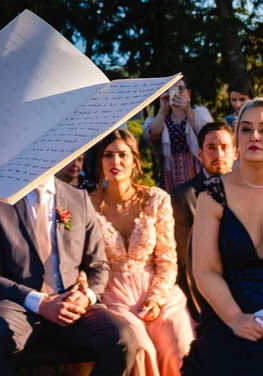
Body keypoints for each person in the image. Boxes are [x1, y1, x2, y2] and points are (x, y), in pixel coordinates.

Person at [0, 175, 139, 376]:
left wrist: (87, 297)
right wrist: (41, 303)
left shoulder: (78, 198)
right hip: (18, 306)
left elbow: (99, 266)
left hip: (70, 306)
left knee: (123, 339)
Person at [182, 98, 263, 375]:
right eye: (245, 129)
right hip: (229, 315)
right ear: (236, 139)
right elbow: (206, 270)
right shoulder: (212, 194)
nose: (254, 136)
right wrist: (236, 319)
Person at [91, 130, 194, 376]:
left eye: (122, 155)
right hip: (113, 294)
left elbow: (168, 260)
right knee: (140, 349)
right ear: (100, 161)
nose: (115, 162)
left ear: (135, 160)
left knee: (178, 346)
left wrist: (156, 299)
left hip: (158, 289)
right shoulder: (87, 203)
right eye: (108, 155)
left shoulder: (156, 199)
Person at [170, 120, 235, 318]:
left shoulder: (251, 192)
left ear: (235, 153)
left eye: (224, 147)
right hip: (205, 301)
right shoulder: (182, 197)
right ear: (200, 154)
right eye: (211, 148)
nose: (218, 154)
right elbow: (184, 263)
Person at [145, 79, 213, 192]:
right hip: (170, 175)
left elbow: (208, 133)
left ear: (188, 93)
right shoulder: (162, 119)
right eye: (171, 89)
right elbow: (152, 134)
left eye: (181, 89)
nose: (177, 92)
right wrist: (163, 109)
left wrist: (187, 109)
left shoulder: (199, 112)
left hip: (196, 170)